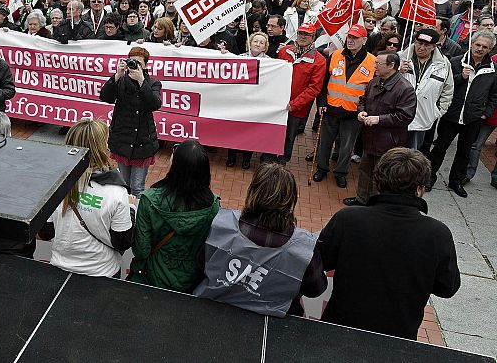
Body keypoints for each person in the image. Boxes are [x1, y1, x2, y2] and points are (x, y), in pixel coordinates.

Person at [319, 148, 460, 340]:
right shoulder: (438, 234)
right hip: (397, 339)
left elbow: (320, 261)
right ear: (419, 189)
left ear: (378, 182)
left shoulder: (348, 219)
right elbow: (447, 288)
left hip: (339, 330)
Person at [194, 164, 326, 317]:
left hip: (211, 313)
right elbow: (316, 289)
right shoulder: (304, 248)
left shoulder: (222, 224)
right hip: (273, 325)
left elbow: (201, 264)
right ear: (290, 201)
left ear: (253, 192)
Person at [39, 119, 134, 277]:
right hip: (103, 273)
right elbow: (123, 242)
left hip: (60, 269)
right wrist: (131, 208)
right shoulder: (116, 191)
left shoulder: (54, 183)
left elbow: (46, 232)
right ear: (101, 148)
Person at [131, 140, 220, 292]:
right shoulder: (213, 205)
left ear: (176, 166)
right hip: (192, 279)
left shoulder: (150, 200)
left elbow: (141, 250)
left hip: (153, 276)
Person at [428, 30, 497, 197]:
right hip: (452, 114)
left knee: (464, 152)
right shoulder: (456, 62)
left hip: (473, 118)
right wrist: (461, 77)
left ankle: (456, 181)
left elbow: (494, 95)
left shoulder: (493, 69)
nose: (480, 49)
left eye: (485, 47)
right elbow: (444, 86)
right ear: (471, 44)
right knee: (439, 148)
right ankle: (429, 177)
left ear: (490, 49)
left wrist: (485, 112)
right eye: (477, 45)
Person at [349, 52, 417, 206]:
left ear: (391, 66)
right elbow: (363, 100)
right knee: (365, 171)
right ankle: (361, 199)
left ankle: (375, 205)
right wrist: (361, 111)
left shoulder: (405, 89)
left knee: (381, 176)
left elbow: (405, 116)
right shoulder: (374, 82)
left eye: (378, 64)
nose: (374, 67)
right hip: (370, 138)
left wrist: (379, 119)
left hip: (389, 143)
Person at [313, 24, 376, 188]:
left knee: (347, 147)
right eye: (349, 37)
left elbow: (372, 90)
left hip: (353, 113)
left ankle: (340, 173)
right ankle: (322, 168)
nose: (351, 40)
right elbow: (324, 82)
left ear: (364, 40)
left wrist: (364, 110)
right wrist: (321, 102)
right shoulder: (334, 56)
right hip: (331, 109)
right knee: (324, 143)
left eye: (355, 38)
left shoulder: (372, 62)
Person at [99, 47, 162, 198]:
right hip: (122, 138)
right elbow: (105, 97)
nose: (134, 66)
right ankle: (124, 215)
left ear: (146, 65)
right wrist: (117, 76)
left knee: (137, 187)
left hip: (142, 140)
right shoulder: (121, 80)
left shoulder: (153, 83)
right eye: (132, 62)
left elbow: (155, 104)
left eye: (139, 63)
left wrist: (141, 81)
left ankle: (136, 217)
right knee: (123, 185)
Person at [277, 23, 327, 163]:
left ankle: (282, 162)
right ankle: (268, 157)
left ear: (313, 37)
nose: (303, 37)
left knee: (289, 136)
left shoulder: (319, 61)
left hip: (295, 108)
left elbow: (314, 88)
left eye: (307, 34)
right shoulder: (284, 51)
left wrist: (294, 104)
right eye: (301, 33)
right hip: (277, 103)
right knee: (274, 132)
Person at [397, 29, 453, 150]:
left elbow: (448, 90)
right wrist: (397, 71)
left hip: (423, 119)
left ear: (434, 46)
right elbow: (382, 79)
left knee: (412, 155)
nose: (421, 47)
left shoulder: (444, 63)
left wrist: (436, 111)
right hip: (397, 117)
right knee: (392, 154)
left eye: (426, 45)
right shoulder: (399, 58)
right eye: (419, 43)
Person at [227, 32, 270, 168]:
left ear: (265, 47)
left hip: (255, 103)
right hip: (238, 101)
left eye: (261, 42)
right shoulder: (239, 58)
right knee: (234, 130)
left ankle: (247, 159)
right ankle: (231, 157)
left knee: (250, 132)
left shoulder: (271, 63)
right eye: (255, 41)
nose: (257, 44)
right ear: (249, 43)